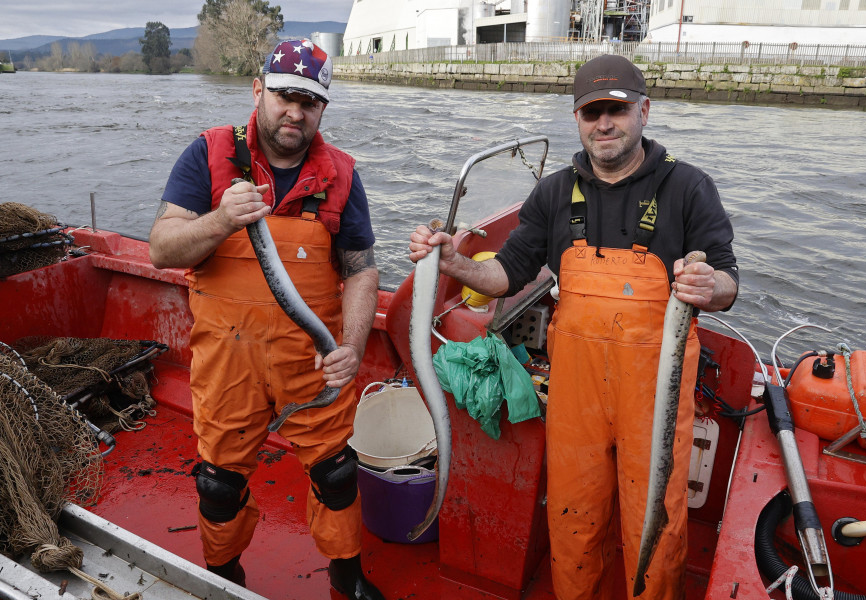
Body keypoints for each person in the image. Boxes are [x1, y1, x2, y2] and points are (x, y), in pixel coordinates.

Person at [408, 54, 738, 600]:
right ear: (577, 119)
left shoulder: (689, 188)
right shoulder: (554, 193)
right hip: (576, 398)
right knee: (573, 518)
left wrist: (711, 287)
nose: (604, 123)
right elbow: (505, 274)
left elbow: (728, 282)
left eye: (616, 109)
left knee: (655, 524)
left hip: (655, 399)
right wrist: (453, 263)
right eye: (591, 112)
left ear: (644, 111)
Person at [149, 39, 383, 600]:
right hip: (227, 360)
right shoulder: (206, 155)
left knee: (337, 474)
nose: (294, 112)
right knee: (219, 485)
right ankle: (225, 577)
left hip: (310, 358)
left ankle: (346, 578)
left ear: (323, 108)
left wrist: (350, 345)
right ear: (258, 91)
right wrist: (221, 219)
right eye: (284, 96)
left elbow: (363, 269)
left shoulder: (341, 176)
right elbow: (162, 248)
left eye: (310, 101)